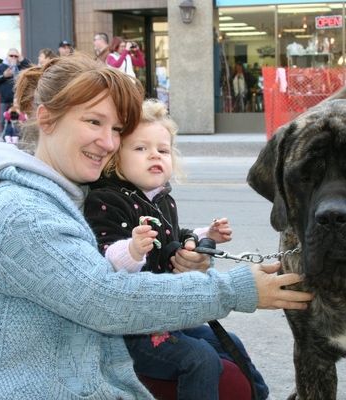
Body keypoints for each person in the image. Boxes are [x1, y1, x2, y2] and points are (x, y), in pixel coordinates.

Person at [0, 53, 313, 399]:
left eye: (117, 129)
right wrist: (234, 290)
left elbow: (140, 258)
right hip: (29, 389)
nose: (108, 142)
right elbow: (105, 299)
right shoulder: (21, 213)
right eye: (94, 122)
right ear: (47, 119)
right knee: (216, 373)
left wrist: (190, 260)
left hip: (86, 375)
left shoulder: (79, 191)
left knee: (232, 376)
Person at [84, 99, 269, 400]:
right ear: (115, 158)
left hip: (167, 317)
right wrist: (132, 250)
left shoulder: (160, 198)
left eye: (163, 149)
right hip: (132, 329)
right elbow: (104, 254)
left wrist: (204, 235)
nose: (154, 155)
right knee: (200, 359)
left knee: (230, 342)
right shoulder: (107, 200)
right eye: (140, 148)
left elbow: (175, 235)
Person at [0, 48, 32, 130]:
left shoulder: (21, 66)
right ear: (7, 56)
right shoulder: (1, 66)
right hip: (5, 99)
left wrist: (22, 60)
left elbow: (31, 68)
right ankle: (5, 136)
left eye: (15, 56)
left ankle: (18, 137)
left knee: (21, 120)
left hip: (19, 99)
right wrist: (4, 76)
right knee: (4, 121)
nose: (13, 57)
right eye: (11, 55)